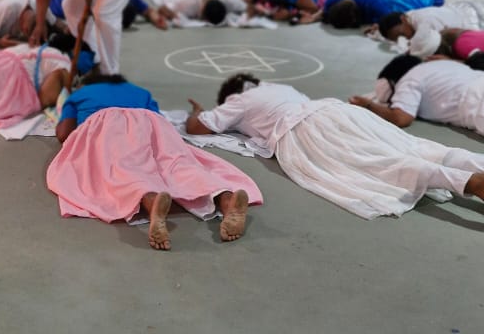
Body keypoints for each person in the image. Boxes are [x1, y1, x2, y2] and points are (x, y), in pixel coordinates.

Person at [185, 72, 484, 220]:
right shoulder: (280, 87)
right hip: (340, 111)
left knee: (378, 164)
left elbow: (198, 127)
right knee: (411, 145)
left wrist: (197, 111)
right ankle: (471, 164)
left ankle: (468, 182)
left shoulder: (238, 101)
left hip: (308, 129)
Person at [47, 72, 262, 250]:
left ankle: (153, 201)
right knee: (178, 165)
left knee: (124, 170)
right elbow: (158, 120)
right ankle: (226, 199)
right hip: (152, 125)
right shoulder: (141, 92)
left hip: (107, 127)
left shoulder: (80, 94)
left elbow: (63, 133)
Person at [351, 53, 484, 137]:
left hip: (474, 102)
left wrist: (368, 105)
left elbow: (401, 118)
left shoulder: (409, 79)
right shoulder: (445, 62)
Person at [378, 0, 484, 56]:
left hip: (474, 16)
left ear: (403, 19)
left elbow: (421, 50)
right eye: (396, 39)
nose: (404, 39)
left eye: (401, 34)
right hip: (461, 9)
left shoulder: (425, 23)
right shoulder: (408, 16)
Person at [316, 0, 444, 29]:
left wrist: (378, 26)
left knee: (411, 3)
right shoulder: (331, 1)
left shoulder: (374, 4)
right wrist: (314, 17)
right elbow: (323, 12)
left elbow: (390, 18)